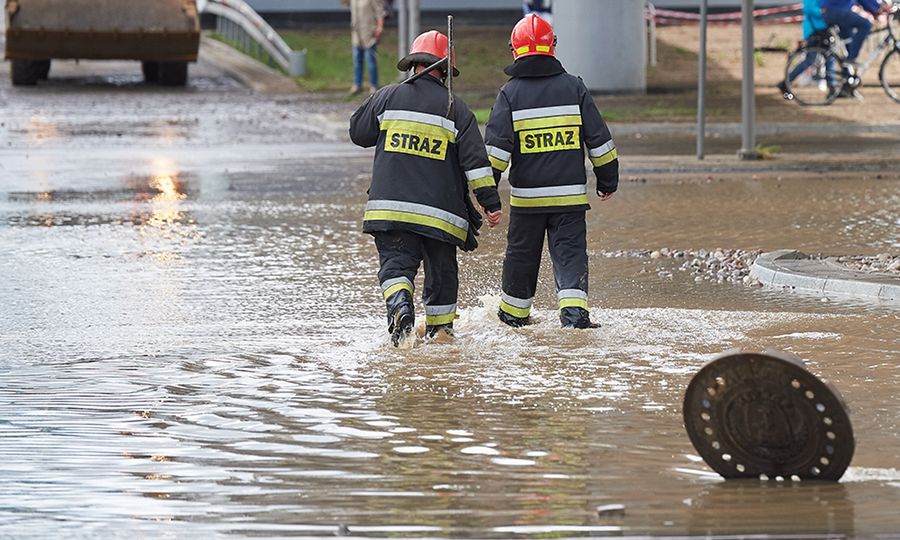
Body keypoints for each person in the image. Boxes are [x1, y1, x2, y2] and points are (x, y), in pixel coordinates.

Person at [350, 30, 503, 346]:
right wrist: (490, 203)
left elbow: (358, 132)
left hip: (390, 212)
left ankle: (399, 304)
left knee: (395, 267)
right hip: (440, 218)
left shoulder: (388, 96)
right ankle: (441, 336)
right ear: (445, 70)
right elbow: (476, 164)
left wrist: (377, 98)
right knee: (442, 274)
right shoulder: (456, 109)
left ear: (413, 64)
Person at [484, 14, 618, 330]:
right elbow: (600, 142)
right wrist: (607, 180)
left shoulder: (509, 95)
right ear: (552, 47)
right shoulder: (575, 88)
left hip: (527, 203)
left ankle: (514, 318)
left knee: (521, 260)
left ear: (514, 50)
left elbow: (495, 156)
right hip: (569, 202)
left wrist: (487, 198)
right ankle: (574, 319)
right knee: (571, 259)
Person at [821, 0, 891, 96]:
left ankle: (847, 86)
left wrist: (876, 9)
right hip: (836, 11)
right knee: (866, 24)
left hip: (835, 11)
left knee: (850, 42)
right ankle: (851, 58)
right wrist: (877, 8)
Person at [777, 0, 832, 99]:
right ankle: (786, 82)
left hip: (821, 29)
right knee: (810, 60)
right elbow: (810, 9)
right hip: (814, 31)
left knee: (828, 58)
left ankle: (832, 87)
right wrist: (826, 12)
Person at [344, 0, 385, 95]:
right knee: (357, 60)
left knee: (370, 60)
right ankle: (357, 85)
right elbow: (344, 3)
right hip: (356, 34)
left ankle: (373, 85)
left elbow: (380, 12)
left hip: (369, 32)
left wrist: (380, 27)